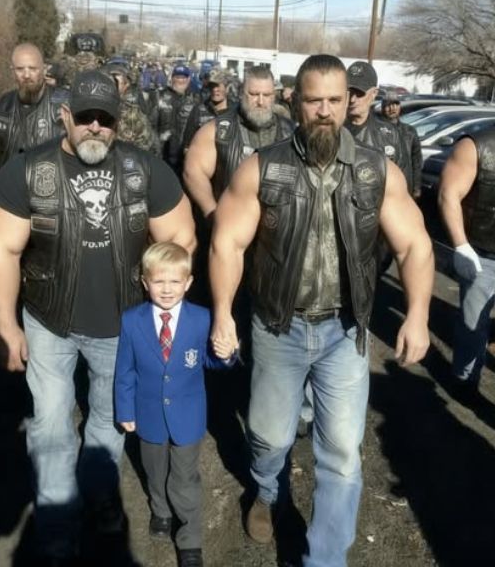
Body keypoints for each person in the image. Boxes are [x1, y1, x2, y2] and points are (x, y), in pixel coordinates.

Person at [209, 54, 433, 566]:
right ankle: (268, 490)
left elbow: (416, 246)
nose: (326, 111)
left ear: (349, 100)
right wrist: (222, 313)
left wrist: (418, 313)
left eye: (336, 100)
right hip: (278, 327)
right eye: (315, 101)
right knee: (269, 438)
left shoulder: (377, 172)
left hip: (345, 332)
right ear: (296, 102)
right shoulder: (263, 168)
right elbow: (227, 244)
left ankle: (325, 559)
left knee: (343, 456)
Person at [0, 69, 195, 565]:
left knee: (110, 418)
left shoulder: (146, 172)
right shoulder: (27, 171)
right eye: (84, 117)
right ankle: (57, 522)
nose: (95, 126)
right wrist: (5, 326)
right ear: (65, 116)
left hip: (123, 325)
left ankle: (100, 495)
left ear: (118, 120)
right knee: (51, 425)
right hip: (48, 321)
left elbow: (180, 240)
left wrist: (161, 314)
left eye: (105, 118)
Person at [114, 242, 234, 567]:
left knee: (184, 478)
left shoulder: (201, 319)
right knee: (155, 471)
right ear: (145, 282)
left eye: (175, 281)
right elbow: (125, 370)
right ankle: (161, 509)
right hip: (148, 414)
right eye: (158, 281)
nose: (167, 289)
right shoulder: (132, 321)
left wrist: (226, 355)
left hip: (188, 416)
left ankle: (190, 538)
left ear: (188, 282)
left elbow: (211, 360)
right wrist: (125, 410)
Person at [183, 66, 294, 221]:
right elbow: (194, 172)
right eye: (253, 94)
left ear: (274, 96)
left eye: (267, 95)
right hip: (229, 223)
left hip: (276, 226)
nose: (260, 101)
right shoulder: (218, 130)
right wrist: (212, 212)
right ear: (242, 92)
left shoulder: (290, 132)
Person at [438, 129, 495, 400]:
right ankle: (465, 380)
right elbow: (448, 194)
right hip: (483, 254)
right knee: (473, 324)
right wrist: (461, 245)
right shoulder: (476, 146)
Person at [0, 43, 67, 168]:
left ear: (44, 69)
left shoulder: (66, 107)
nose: (26, 75)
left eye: (33, 69)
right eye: (20, 69)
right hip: (10, 179)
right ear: (12, 71)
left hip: (54, 178)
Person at [345, 61, 412, 188]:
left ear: (374, 94)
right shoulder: (332, 130)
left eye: (359, 93)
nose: (352, 99)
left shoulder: (390, 136)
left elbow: (404, 185)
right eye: (349, 92)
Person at [151, 64, 199, 174]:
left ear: (189, 79)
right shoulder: (159, 96)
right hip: (162, 154)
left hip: (184, 156)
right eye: (177, 77)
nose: (180, 80)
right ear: (172, 78)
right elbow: (151, 124)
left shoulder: (195, 100)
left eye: (183, 77)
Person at [103, 64, 160, 154]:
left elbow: (147, 146)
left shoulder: (133, 113)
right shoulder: (94, 108)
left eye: (115, 82)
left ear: (126, 85)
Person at [380, 91, 423, 199]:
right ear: (382, 108)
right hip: (384, 186)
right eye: (388, 105)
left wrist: (416, 187)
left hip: (406, 185)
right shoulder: (376, 130)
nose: (392, 108)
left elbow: (416, 161)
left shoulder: (410, 131)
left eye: (395, 104)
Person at [182, 68, 234, 152]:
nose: (214, 89)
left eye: (217, 85)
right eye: (212, 86)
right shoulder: (199, 110)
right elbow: (187, 144)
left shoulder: (235, 111)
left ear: (227, 87)